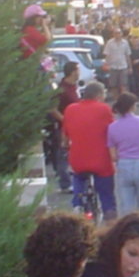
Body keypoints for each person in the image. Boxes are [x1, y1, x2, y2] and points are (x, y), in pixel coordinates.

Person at [62, 81, 117, 221]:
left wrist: (65, 145)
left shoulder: (70, 109)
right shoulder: (104, 109)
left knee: (78, 177)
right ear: (99, 95)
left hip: (78, 160)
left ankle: (77, 206)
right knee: (106, 197)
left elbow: (64, 136)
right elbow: (113, 132)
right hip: (101, 161)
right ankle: (110, 223)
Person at [49, 61, 82, 192]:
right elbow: (52, 109)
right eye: (78, 69)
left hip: (75, 126)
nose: (79, 72)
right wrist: (65, 120)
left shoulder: (74, 87)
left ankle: (71, 179)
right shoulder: (62, 89)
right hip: (64, 127)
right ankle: (65, 183)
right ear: (73, 72)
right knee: (63, 153)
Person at [102, 29, 132, 101]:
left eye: (119, 33)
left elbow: (127, 55)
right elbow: (106, 54)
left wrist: (130, 67)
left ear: (121, 34)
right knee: (113, 85)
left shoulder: (125, 43)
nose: (117, 35)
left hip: (123, 66)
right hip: (113, 67)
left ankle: (123, 100)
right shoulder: (109, 43)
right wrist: (106, 64)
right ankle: (116, 100)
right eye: (115, 33)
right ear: (113, 34)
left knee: (124, 84)